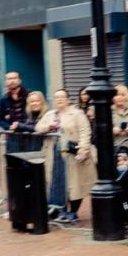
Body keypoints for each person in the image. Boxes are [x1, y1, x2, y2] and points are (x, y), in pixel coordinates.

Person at [36, 89, 95, 223]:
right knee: (57, 182)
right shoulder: (50, 114)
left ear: (68, 99)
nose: (59, 100)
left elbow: (85, 131)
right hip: (53, 154)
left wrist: (84, 149)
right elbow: (38, 127)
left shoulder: (77, 113)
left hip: (72, 154)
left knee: (75, 184)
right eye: (56, 97)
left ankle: (72, 211)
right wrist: (48, 127)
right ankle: (60, 209)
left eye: (62, 97)